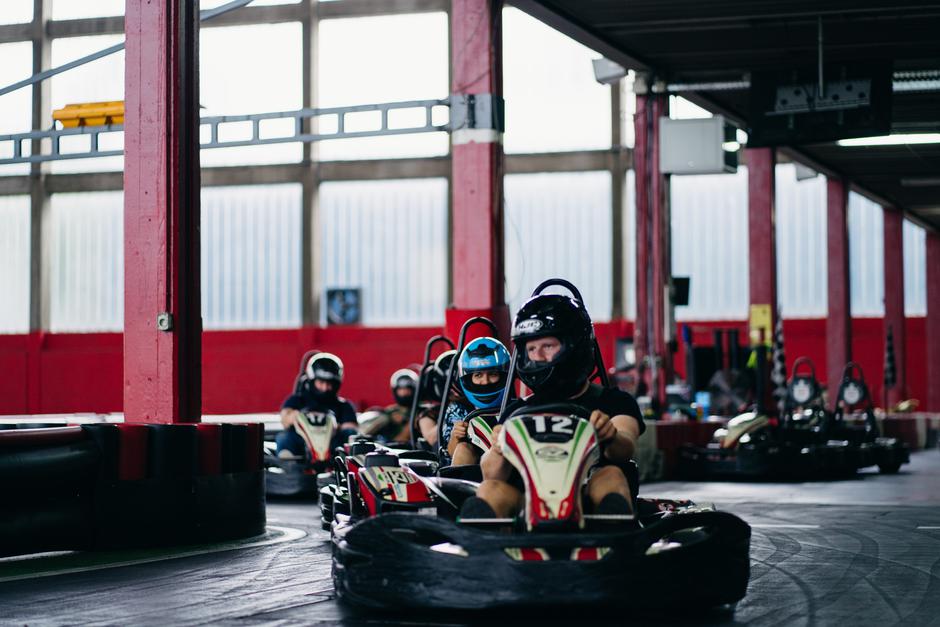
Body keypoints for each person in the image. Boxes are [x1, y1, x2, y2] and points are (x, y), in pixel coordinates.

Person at [462, 294, 644, 519]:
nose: (537, 357)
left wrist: (610, 436)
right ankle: (483, 548)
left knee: (611, 475)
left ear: (574, 347)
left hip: (587, 507)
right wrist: (499, 447)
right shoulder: (515, 411)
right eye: (531, 349)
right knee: (489, 490)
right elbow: (491, 473)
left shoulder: (613, 402)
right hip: (528, 506)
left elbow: (625, 447)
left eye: (547, 346)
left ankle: (613, 544)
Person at [276, 352, 358, 459]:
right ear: (312, 380)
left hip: (332, 446)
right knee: (284, 437)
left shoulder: (343, 406)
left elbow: (351, 429)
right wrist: (296, 416)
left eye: (329, 384)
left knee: (350, 437)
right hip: (303, 444)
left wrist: (334, 426)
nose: (325, 388)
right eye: (321, 382)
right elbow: (285, 419)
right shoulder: (297, 400)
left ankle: (342, 464)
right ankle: (289, 465)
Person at [444, 336, 511, 466]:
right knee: (463, 449)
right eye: (478, 375)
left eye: (492, 374)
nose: (485, 382)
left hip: (511, 470)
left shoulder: (515, 408)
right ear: (468, 378)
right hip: (473, 475)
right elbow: (448, 454)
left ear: (504, 375)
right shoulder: (459, 409)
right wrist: (455, 437)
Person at [359, 368, 418, 443]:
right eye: (401, 389)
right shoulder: (389, 412)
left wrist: (411, 422)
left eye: (407, 389)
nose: (404, 393)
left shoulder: (421, 412)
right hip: (387, 448)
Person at [416, 350, 457, 447]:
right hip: (444, 458)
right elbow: (432, 438)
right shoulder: (429, 414)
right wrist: (455, 413)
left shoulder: (476, 406)